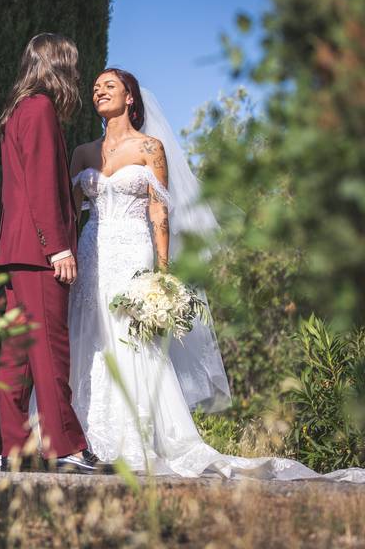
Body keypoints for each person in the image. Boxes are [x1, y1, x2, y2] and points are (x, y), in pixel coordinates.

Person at [64, 68, 362, 480]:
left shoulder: (151, 147)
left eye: (108, 85)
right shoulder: (82, 153)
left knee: (130, 341)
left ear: (130, 97)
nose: (98, 90)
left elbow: (159, 212)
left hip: (134, 250)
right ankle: (82, 441)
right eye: (95, 86)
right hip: (92, 248)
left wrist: (162, 275)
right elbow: (67, 210)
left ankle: (133, 442)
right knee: (87, 335)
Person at [0, 33, 108, 474]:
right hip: (39, 253)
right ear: (55, 66)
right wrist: (58, 246)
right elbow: (40, 185)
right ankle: (68, 448)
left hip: (15, 251)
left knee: (16, 356)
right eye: (71, 65)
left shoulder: (19, 110)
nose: (76, 74)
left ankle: (15, 450)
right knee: (50, 350)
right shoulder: (39, 109)